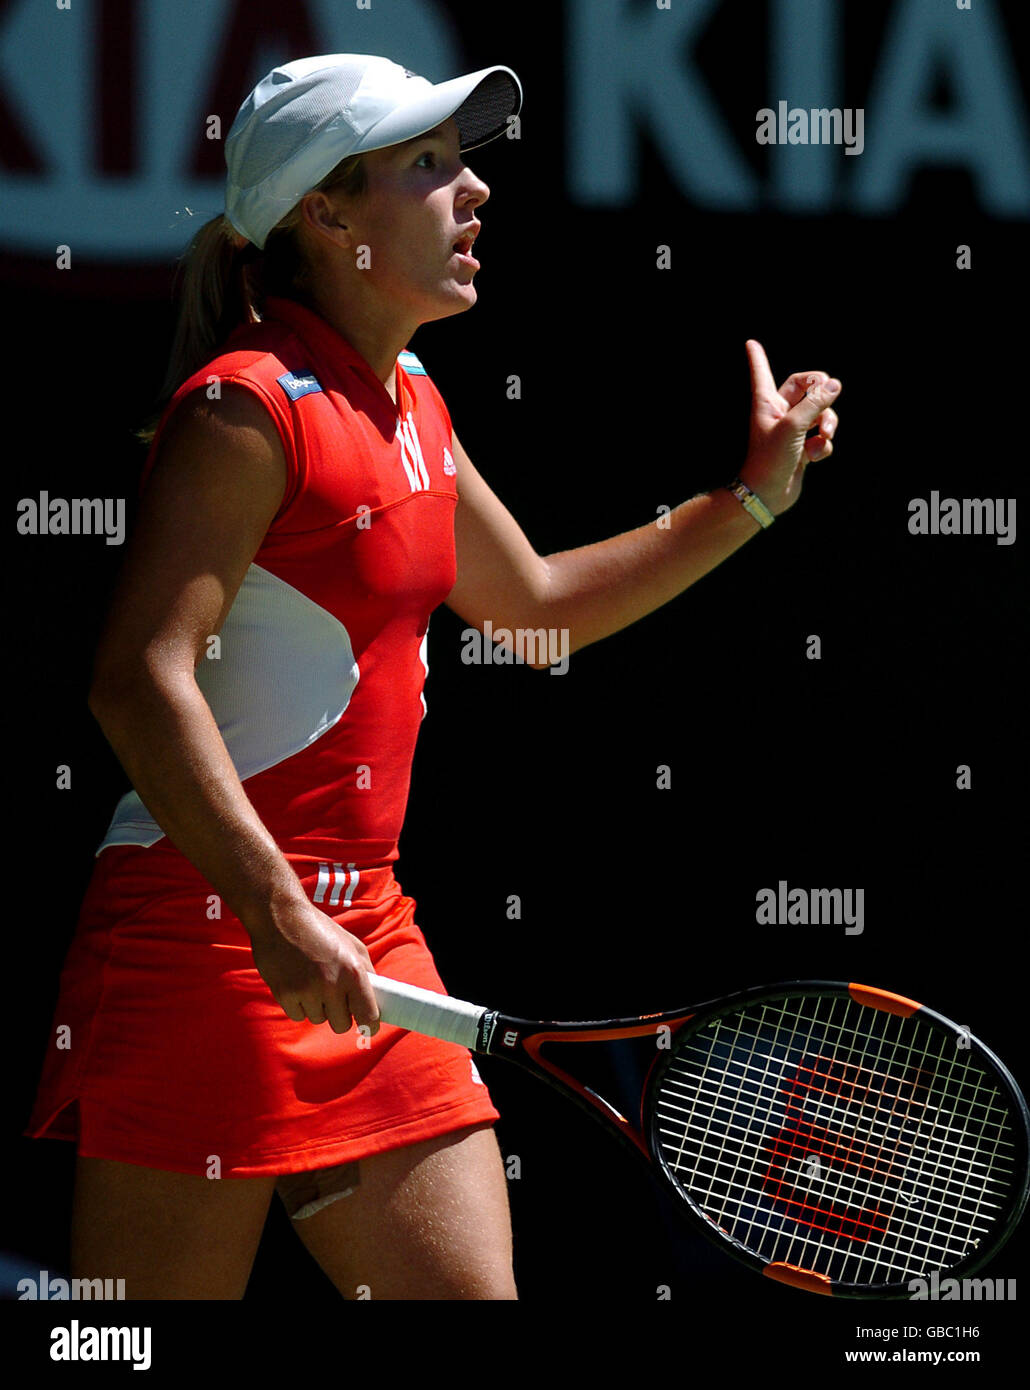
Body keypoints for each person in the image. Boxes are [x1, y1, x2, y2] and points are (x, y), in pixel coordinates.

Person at [26, 53, 841, 1301]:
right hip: (205, 937)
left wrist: (747, 501)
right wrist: (272, 909)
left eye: (462, 162)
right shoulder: (244, 415)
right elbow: (137, 680)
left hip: (370, 935)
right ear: (328, 212)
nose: (475, 192)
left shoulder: (411, 400)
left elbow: (538, 613)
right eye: (429, 164)